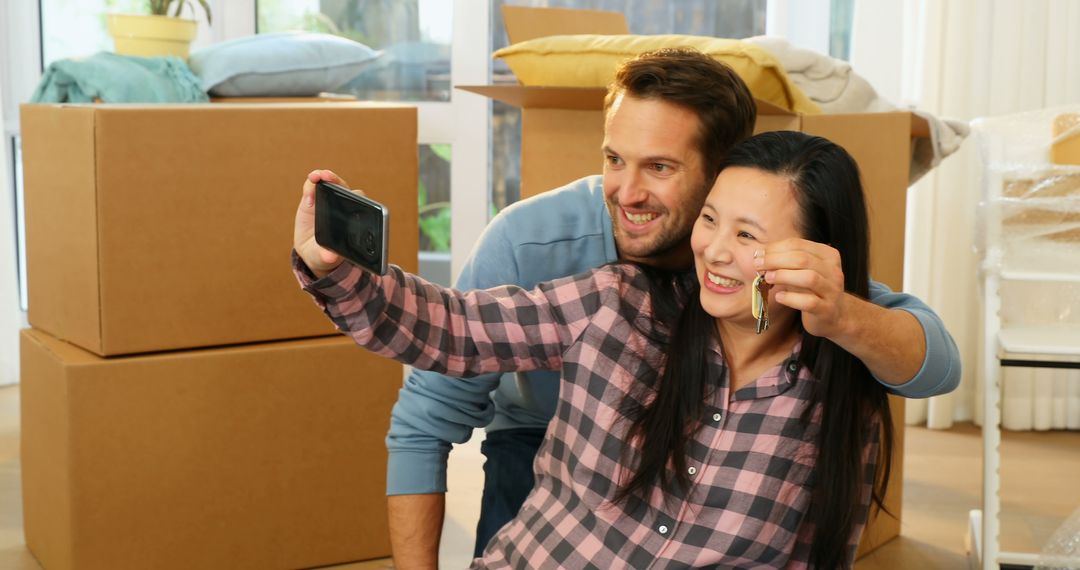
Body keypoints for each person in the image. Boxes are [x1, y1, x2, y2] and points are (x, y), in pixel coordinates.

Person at [376, 48, 961, 567]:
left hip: (683, 454)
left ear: (724, 171)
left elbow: (936, 364)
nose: (627, 193)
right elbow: (427, 411)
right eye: (614, 159)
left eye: (659, 167)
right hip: (534, 439)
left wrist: (845, 317)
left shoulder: (776, 265)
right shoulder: (530, 242)